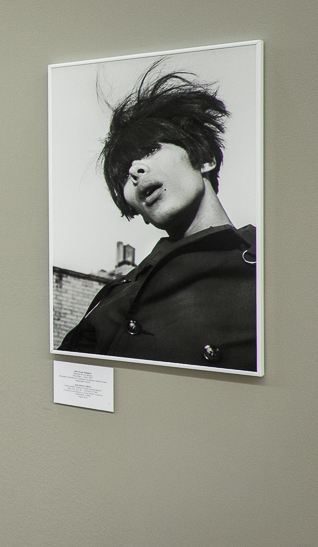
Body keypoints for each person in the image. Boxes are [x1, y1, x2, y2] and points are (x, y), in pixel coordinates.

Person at [58, 65, 257, 371]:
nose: (135, 171)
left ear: (204, 159)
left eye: (150, 150)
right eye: (125, 174)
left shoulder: (267, 268)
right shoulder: (112, 294)